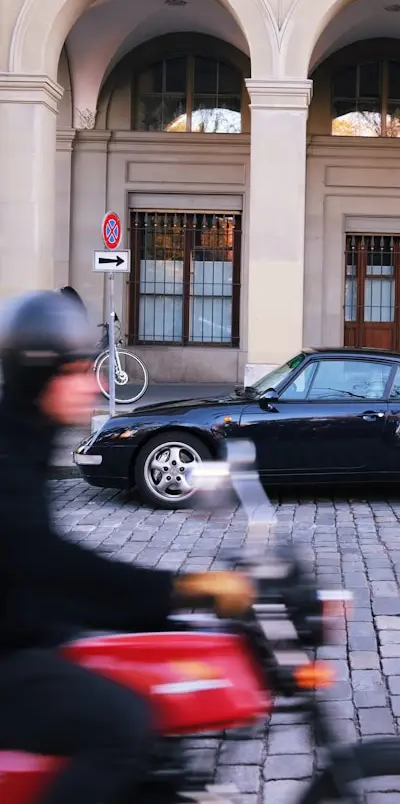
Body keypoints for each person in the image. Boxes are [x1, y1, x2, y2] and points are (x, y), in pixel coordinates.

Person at [0, 289, 255, 804]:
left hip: (32, 637)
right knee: (122, 726)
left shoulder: (28, 436)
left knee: (152, 700)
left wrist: (183, 623)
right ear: (38, 374)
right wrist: (185, 590)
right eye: (74, 370)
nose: (91, 384)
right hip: (8, 658)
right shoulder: (8, 457)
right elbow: (56, 572)